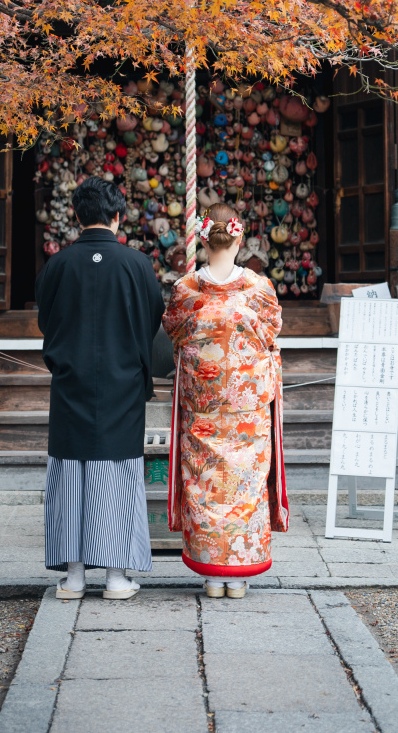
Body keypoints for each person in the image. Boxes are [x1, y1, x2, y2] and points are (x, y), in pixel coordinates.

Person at [37, 175, 164, 600]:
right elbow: (151, 321)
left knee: (70, 475)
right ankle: (115, 577)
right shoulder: (137, 265)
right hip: (122, 382)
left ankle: (72, 579)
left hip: (71, 381)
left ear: (76, 215)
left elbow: (46, 321)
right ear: (118, 216)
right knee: (117, 476)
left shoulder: (57, 265)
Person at [163, 203, 288, 598]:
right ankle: (239, 575)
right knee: (245, 486)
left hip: (203, 407)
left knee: (204, 485)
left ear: (203, 239)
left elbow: (174, 332)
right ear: (239, 238)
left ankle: (212, 575)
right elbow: (271, 333)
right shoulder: (259, 289)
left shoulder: (186, 290)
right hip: (247, 411)